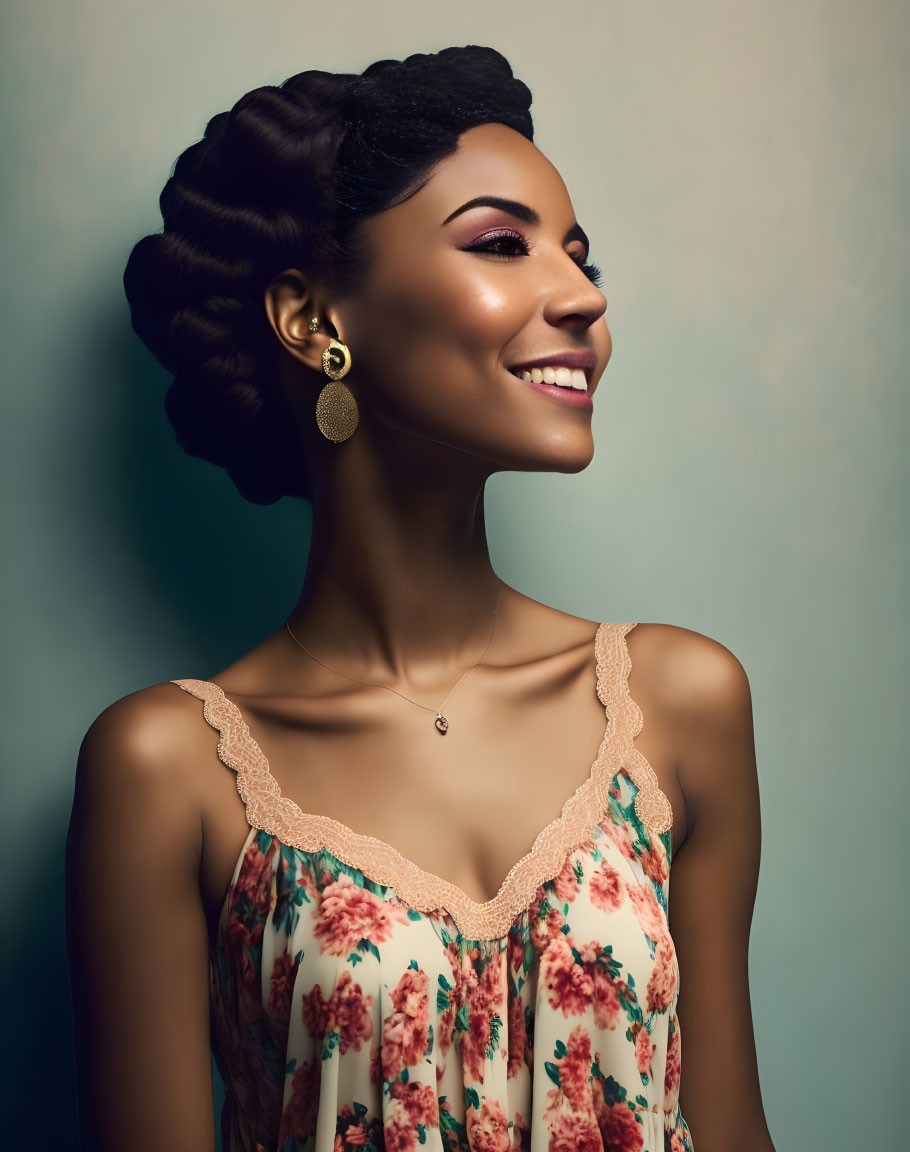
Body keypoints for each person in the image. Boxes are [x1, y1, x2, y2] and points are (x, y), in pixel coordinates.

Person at [65, 46, 776, 1152]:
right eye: (502, 244)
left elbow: (728, 1125)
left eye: (579, 256)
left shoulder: (678, 705)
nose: (582, 297)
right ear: (311, 321)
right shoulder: (171, 767)